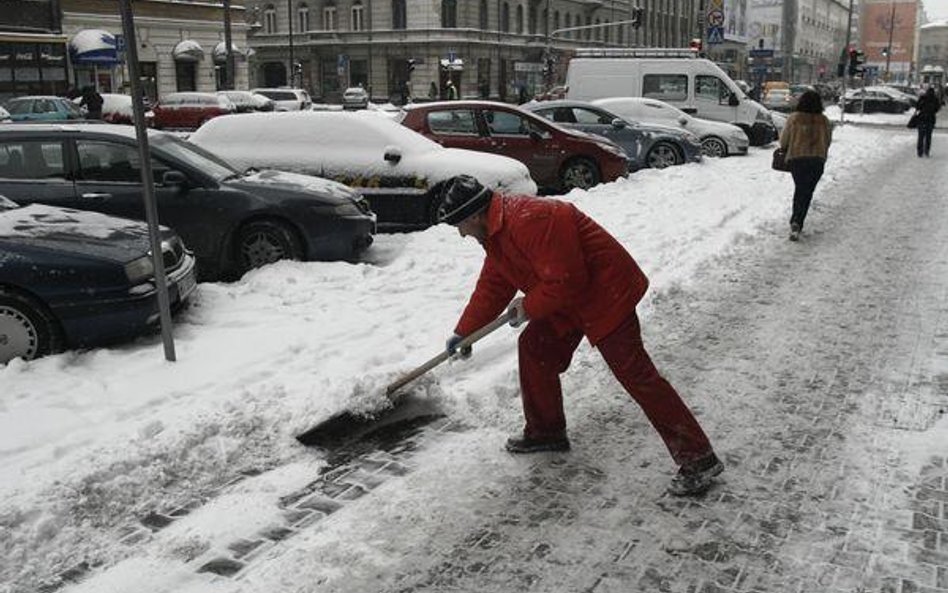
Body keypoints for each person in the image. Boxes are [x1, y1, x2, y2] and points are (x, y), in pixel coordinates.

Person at [439, 175, 724, 497]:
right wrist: (465, 331)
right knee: (535, 348)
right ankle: (546, 431)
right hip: (566, 298)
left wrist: (529, 306)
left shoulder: (531, 218)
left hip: (605, 293)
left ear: (474, 215)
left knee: (636, 374)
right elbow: (495, 285)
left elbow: (568, 279)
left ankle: (698, 457)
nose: (462, 234)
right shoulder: (495, 233)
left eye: (460, 225)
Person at [778, 89, 832, 241]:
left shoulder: (794, 118)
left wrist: (786, 148)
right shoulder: (824, 120)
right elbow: (828, 141)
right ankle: (798, 221)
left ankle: (796, 221)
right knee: (807, 192)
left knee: (800, 189)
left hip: (797, 159)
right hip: (817, 160)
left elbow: (784, 140)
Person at [915, 87, 940, 158]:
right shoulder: (935, 99)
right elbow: (937, 108)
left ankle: (920, 152)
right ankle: (927, 151)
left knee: (921, 136)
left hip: (922, 118)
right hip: (930, 119)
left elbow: (917, 107)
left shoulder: (923, 98)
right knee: (928, 137)